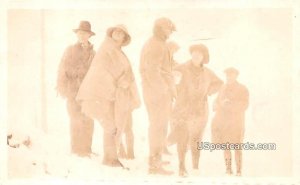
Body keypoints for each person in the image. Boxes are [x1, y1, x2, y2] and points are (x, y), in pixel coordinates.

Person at [76, 24, 140, 168]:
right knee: (111, 126)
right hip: (100, 94)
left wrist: (126, 79)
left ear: (124, 37)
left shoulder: (118, 51)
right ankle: (110, 159)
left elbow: (125, 71)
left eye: (121, 33)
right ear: (111, 34)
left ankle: (110, 158)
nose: (118, 33)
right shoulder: (107, 48)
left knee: (114, 126)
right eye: (116, 31)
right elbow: (104, 71)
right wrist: (120, 81)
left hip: (111, 94)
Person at [168, 44, 223, 176]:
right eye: (194, 52)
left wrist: (208, 92)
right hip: (183, 109)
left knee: (196, 138)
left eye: (200, 53)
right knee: (182, 136)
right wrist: (174, 85)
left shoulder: (208, 73)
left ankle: (195, 167)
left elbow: (219, 83)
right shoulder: (180, 68)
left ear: (204, 57)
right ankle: (181, 167)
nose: (196, 54)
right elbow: (170, 81)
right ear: (191, 54)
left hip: (200, 111)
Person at [140, 17, 176, 175]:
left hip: (155, 92)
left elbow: (162, 68)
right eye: (168, 29)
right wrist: (163, 91)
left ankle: (157, 158)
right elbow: (151, 72)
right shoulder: (156, 45)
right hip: (157, 94)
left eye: (170, 29)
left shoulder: (158, 43)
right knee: (158, 127)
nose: (170, 32)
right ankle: (155, 165)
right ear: (160, 29)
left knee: (159, 127)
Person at [56, 20, 95, 157]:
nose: (82, 36)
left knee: (89, 120)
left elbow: (96, 73)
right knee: (76, 120)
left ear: (90, 35)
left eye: (85, 33)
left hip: (88, 94)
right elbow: (63, 69)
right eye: (80, 33)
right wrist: (63, 88)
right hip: (73, 92)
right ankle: (77, 150)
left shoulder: (94, 53)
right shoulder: (70, 50)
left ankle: (87, 149)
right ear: (77, 35)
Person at [211, 67, 249, 176]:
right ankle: (228, 169)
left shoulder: (243, 89)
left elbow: (245, 104)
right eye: (227, 75)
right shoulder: (222, 88)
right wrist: (217, 104)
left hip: (237, 123)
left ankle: (239, 170)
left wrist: (229, 105)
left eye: (231, 75)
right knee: (226, 147)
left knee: (237, 147)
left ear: (236, 76)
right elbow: (217, 101)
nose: (229, 77)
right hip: (224, 123)